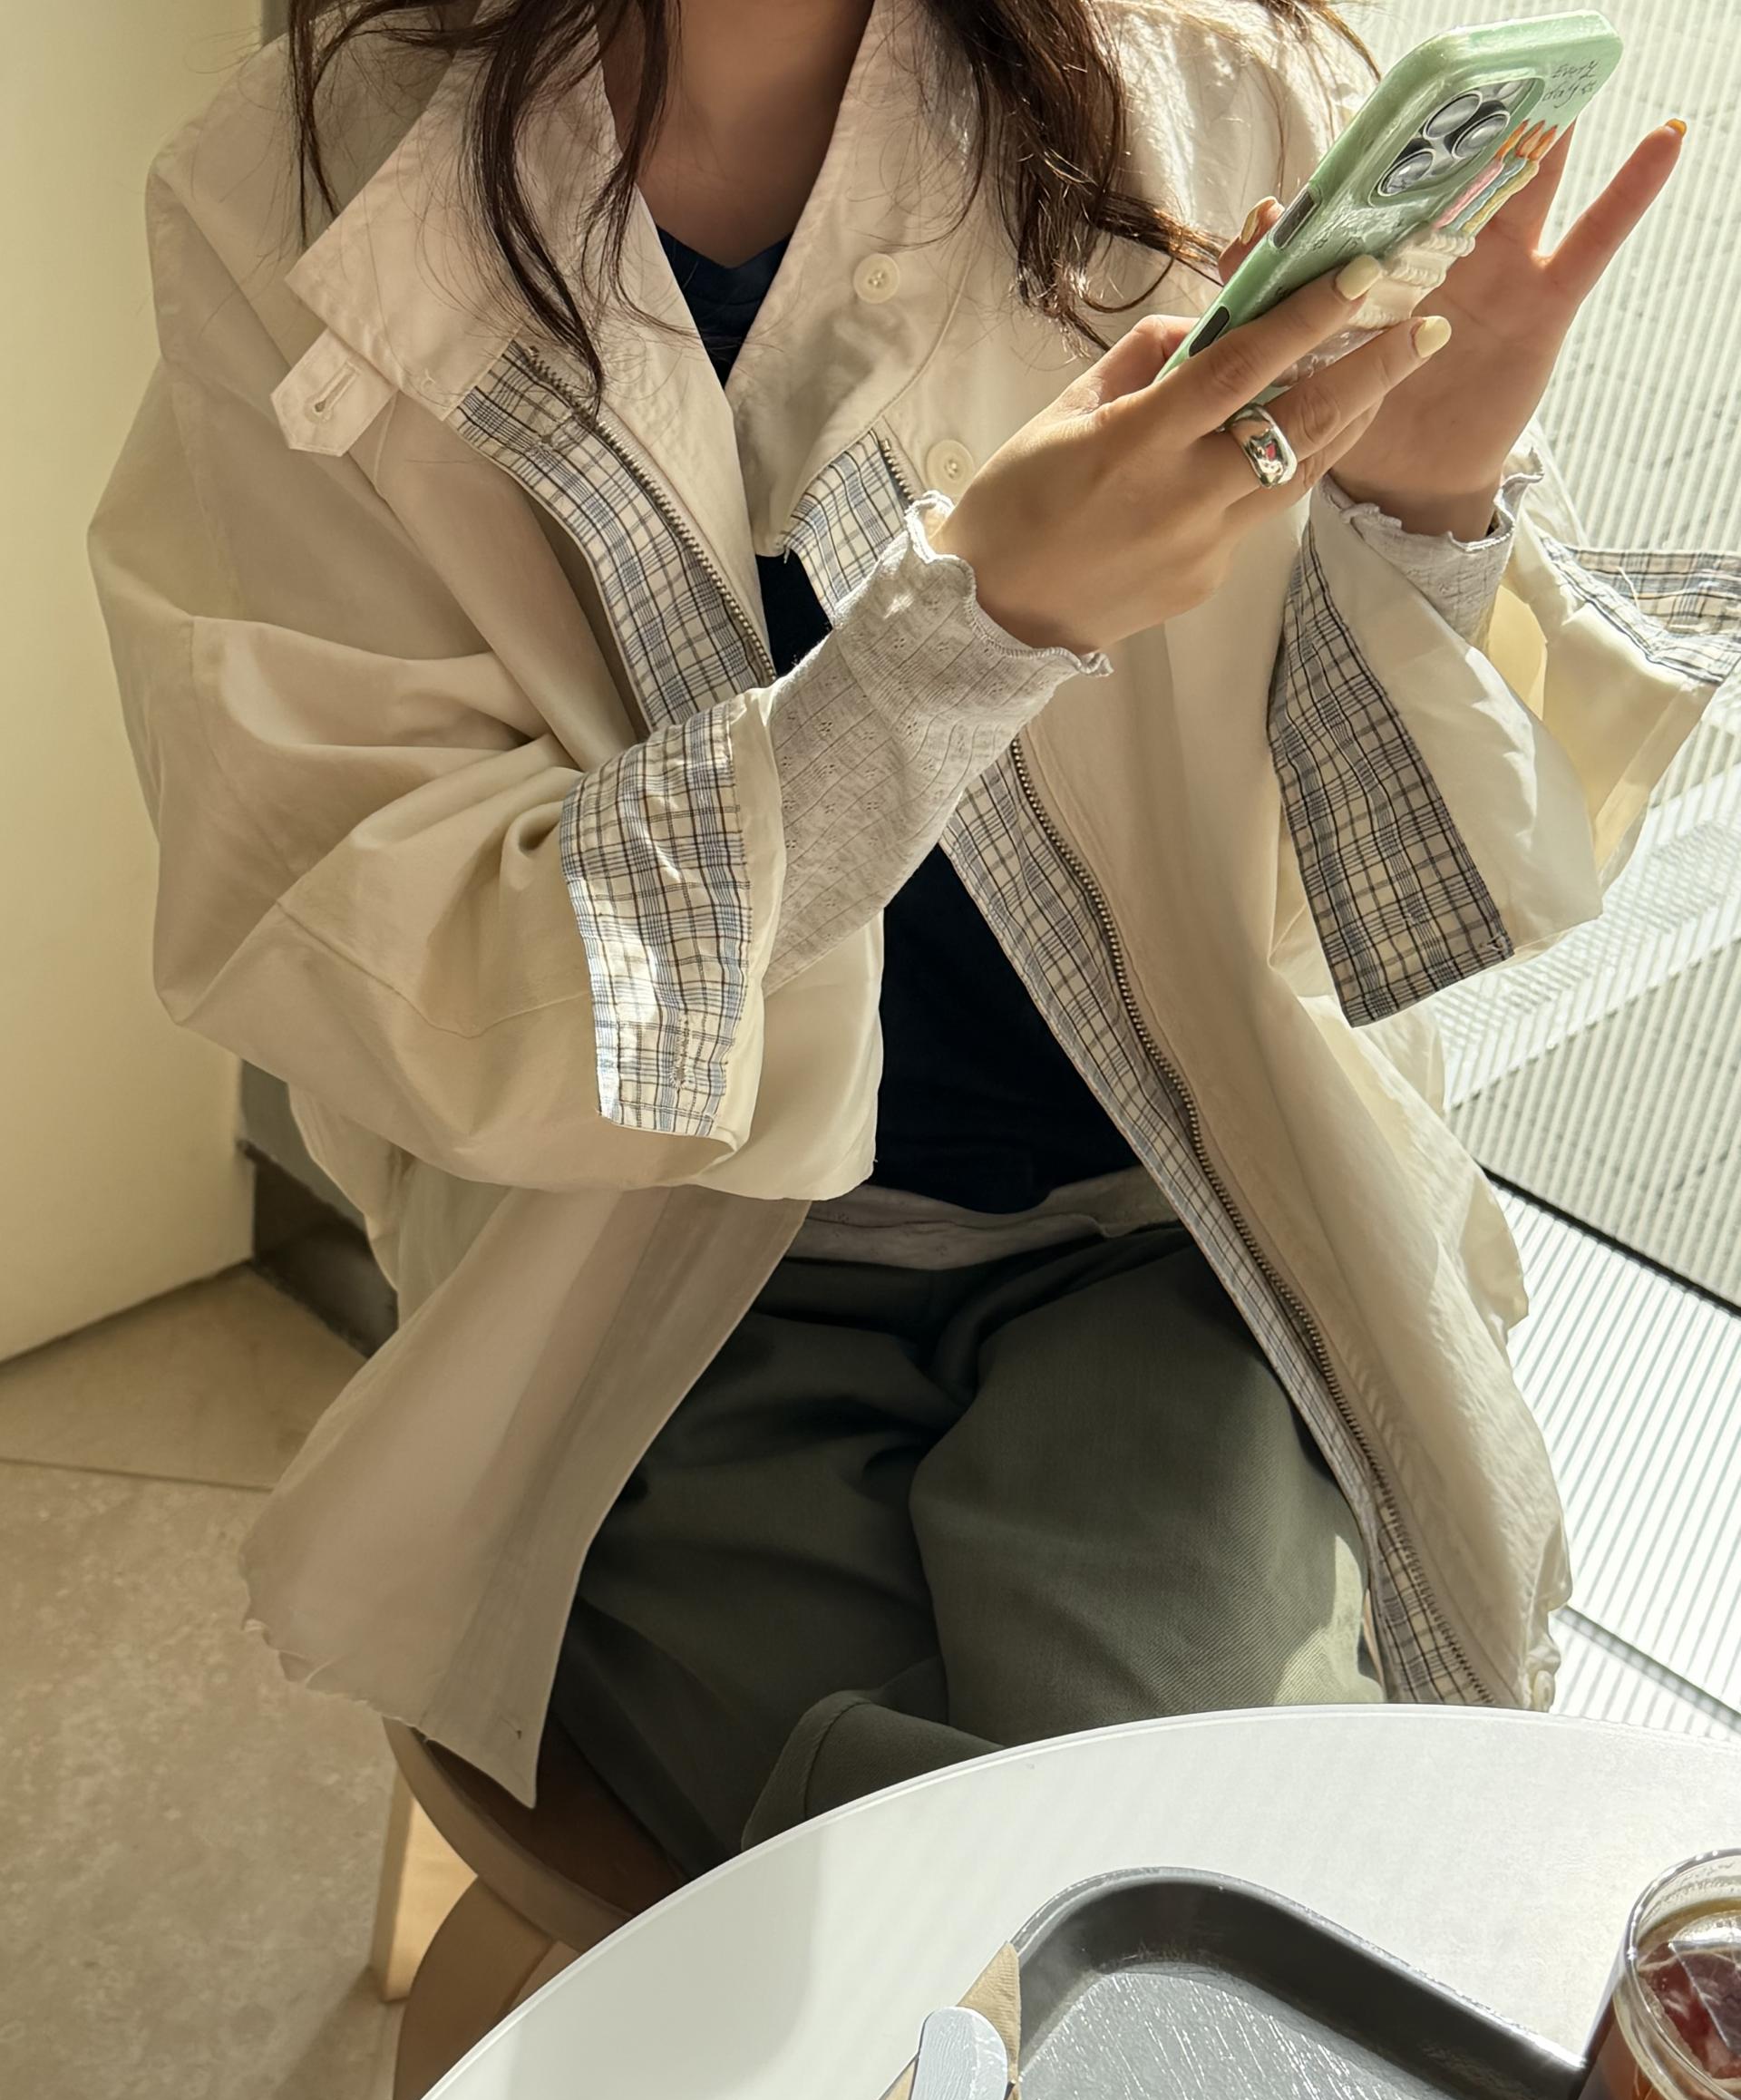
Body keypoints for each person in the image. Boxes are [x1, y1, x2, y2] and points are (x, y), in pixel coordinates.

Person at [92, 0, 1736, 1872]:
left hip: (1165, 1242)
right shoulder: (293, 200)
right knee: (994, 1887)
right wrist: (959, 643)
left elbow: (1357, 901)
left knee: (1159, 1864)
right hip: (669, 1277)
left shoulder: (1227, 101)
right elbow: (375, 938)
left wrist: (1422, 508)